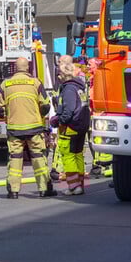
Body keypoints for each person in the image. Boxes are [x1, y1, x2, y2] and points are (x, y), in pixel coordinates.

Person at [0, 56, 56, 198]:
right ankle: (44, 189)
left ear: (15, 68)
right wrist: (38, 115)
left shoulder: (6, 84)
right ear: (27, 67)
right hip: (34, 128)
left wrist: (7, 116)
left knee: (15, 159)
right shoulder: (35, 83)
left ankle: (13, 191)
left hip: (14, 129)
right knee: (39, 158)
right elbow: (46, 105)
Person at [51, 58, 91, 195]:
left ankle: (73, 186)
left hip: (71, 126)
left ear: (62, 75)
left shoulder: (68, 89)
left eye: (59, 74)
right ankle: (79, 184)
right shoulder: (79, 87)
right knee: (78, 155)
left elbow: (69, 110)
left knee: (68, 156)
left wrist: (58, 120)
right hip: (81, 125)